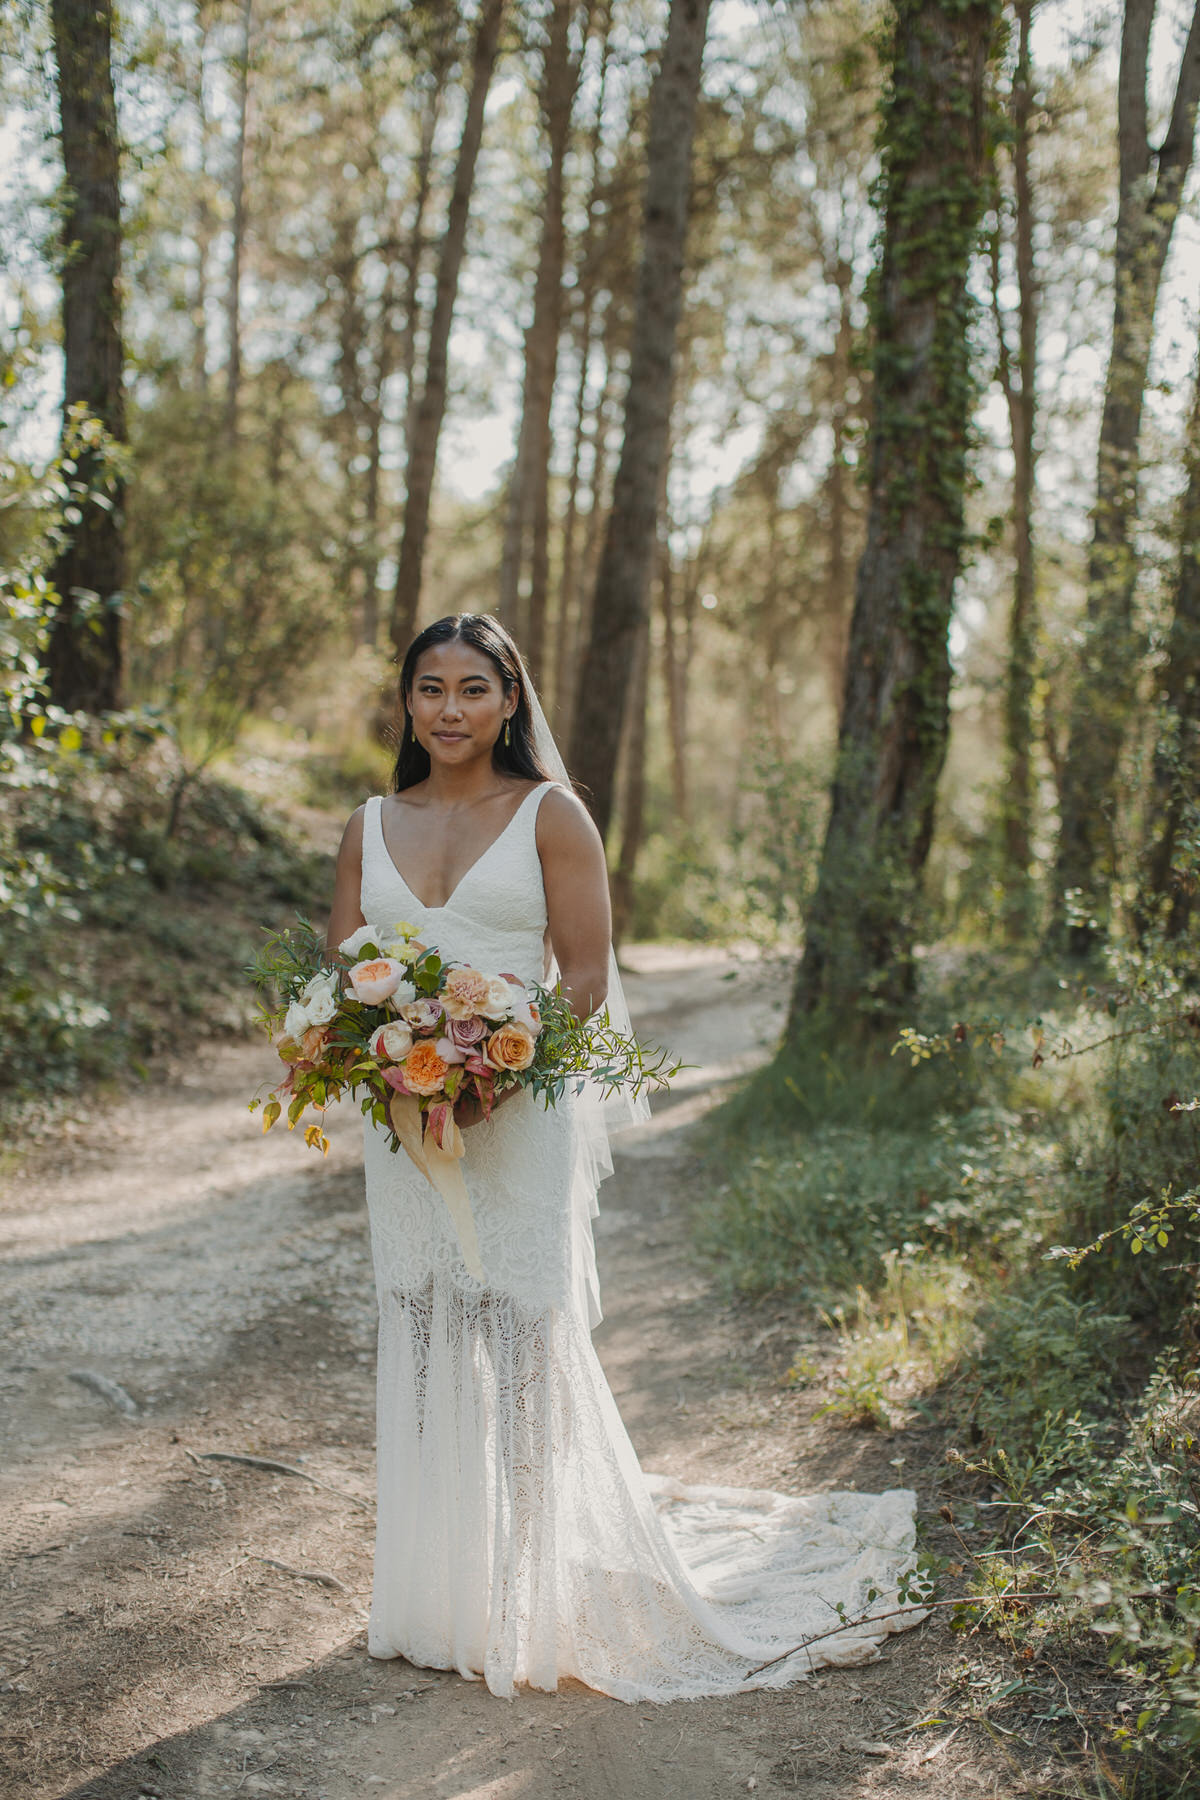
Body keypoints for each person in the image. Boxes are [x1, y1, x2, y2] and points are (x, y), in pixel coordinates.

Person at [326, 612, 923, 1703]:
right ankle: (429, 1595)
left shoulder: (552, 816)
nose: (449, 710)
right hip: (404, 1123)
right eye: (429, 689)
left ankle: (526, 1594)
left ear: (511, 700)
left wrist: (490, 1072)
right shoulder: (370, 823)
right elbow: (340, 977)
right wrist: (395, 1066)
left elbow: (588, 979)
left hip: (517, 1101)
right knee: (418, 1322)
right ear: (405, 704)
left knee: (521, 1331)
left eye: (472, 689)